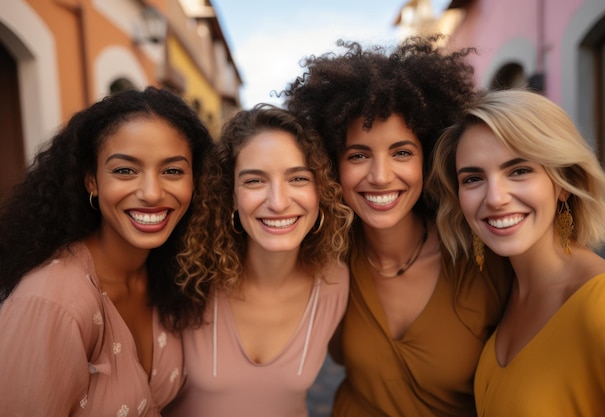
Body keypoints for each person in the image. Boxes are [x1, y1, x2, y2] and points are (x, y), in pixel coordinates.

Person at [282, 35, 513, 417]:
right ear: (331, 164)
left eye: (401, 152)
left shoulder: (482, 256)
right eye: (358, 155)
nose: (380, 176)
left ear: (428, 156)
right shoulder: (324, 254)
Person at [0, 86, 215, 416]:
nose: (152, 193)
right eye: (125, 170)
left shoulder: (169, 271)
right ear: (92, 181)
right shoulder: (51, 302)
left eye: (172, 170)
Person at [430, 88, 605, 416]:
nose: (495, 198)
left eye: (519, 171)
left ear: (562, 182)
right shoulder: (505, 287)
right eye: (473, 178)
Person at [163, 103, 354, 417]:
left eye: (298, 179)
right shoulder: (191, 276)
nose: (278, 202)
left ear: (321, 192)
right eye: (254, 181)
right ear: (231, 196)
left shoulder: (335, 282)